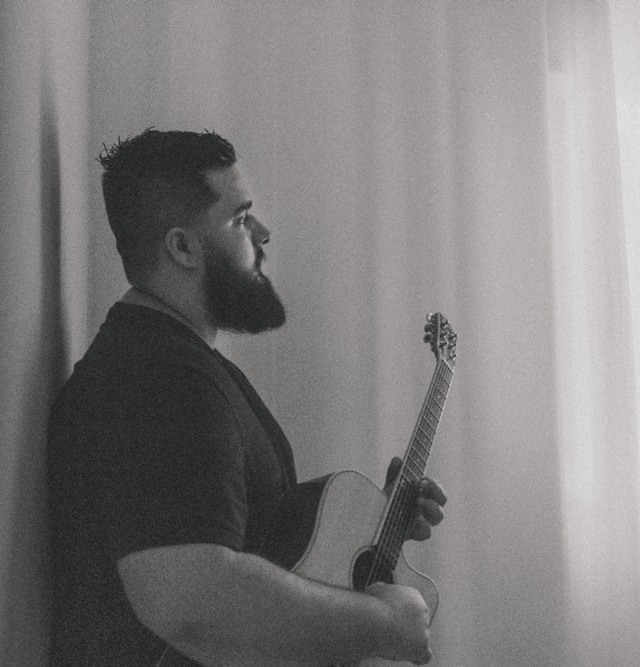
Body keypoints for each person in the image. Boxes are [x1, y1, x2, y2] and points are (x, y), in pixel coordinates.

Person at [47, 129, 447, 666]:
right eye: (239, 219)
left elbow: (259, 545)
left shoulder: (173, 363)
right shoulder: (158, 378)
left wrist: (372, 525)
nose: (263, 232)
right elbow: (192, 602)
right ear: (183, 247)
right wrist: (385, 623)